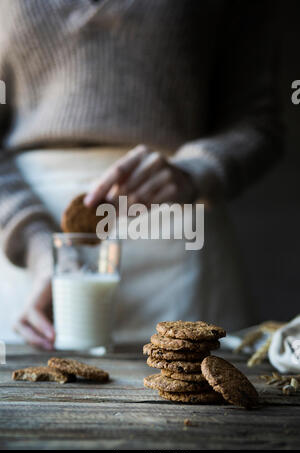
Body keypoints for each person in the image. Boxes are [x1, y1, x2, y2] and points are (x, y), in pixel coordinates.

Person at [0, 0, 283, 348]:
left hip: (180, 238)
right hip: (29, 248)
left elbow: (258, 120)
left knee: (194, 387)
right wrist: (36, 244)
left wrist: (194, 170)